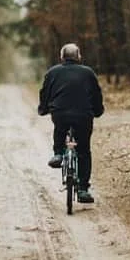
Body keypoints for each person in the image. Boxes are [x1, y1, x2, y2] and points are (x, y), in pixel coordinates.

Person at [37, 43, 104, 203]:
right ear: (79, 56)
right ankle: (82, 190)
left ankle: (58, 154)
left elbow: (45, 93)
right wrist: (98, 111)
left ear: (62, 57)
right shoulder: (88, 73)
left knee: (60, 129)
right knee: (83, 150)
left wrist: (43, 109)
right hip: (83, 115)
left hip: (60, 113)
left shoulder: (52, 72)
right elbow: (96, 95)